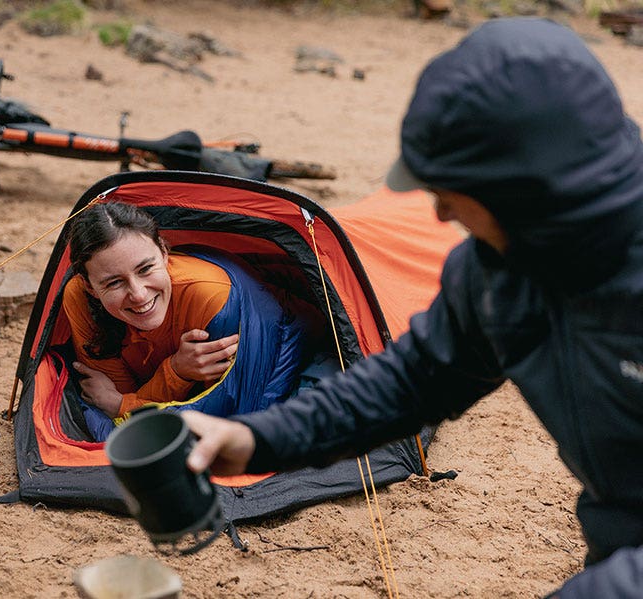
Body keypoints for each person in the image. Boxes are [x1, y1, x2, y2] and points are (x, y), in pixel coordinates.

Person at [182, 17, 643, 599]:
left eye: (452, 193)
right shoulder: (497, 269)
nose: (441, 214)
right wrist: (256, 439)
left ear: (528, 192)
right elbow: (411, 381)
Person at [62, 200, 319, 442]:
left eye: (145, 269)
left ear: (164, 253)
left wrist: (128, 401)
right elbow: (122, 399)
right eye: (114, 282)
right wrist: (176, 372)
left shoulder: (212, 298)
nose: (139, 294)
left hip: (290, 332)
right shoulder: (79, 297)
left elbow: (224, 416)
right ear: (90, 286)